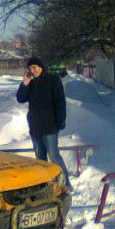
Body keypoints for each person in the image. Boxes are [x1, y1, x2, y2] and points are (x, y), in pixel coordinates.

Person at [16, 56, 72, 189]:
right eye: (30, 68)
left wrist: (61, 120)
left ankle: (65, 184)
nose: (32, 70)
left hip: (50, 125)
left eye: (34, 67)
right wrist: (25, 84)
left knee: (54, 156)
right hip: (35, 126)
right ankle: (45, 186)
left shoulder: (53, 80)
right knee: (40, 159)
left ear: (40, 67)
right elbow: (21, 99)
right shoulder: (30, 83)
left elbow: (60, 101)